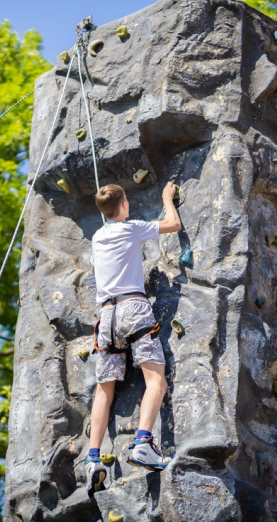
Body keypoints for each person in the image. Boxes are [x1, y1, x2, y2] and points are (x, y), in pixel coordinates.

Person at [85, 182, 181, 497]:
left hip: (107, 317)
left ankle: (93, 459)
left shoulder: (97, 238)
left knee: (104, 392)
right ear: (124, 204)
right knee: (156, 381)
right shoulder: (131, 228)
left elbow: (96, 269)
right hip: (133, 308)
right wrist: (167, 199)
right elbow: (173, 224)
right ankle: (143, 443)